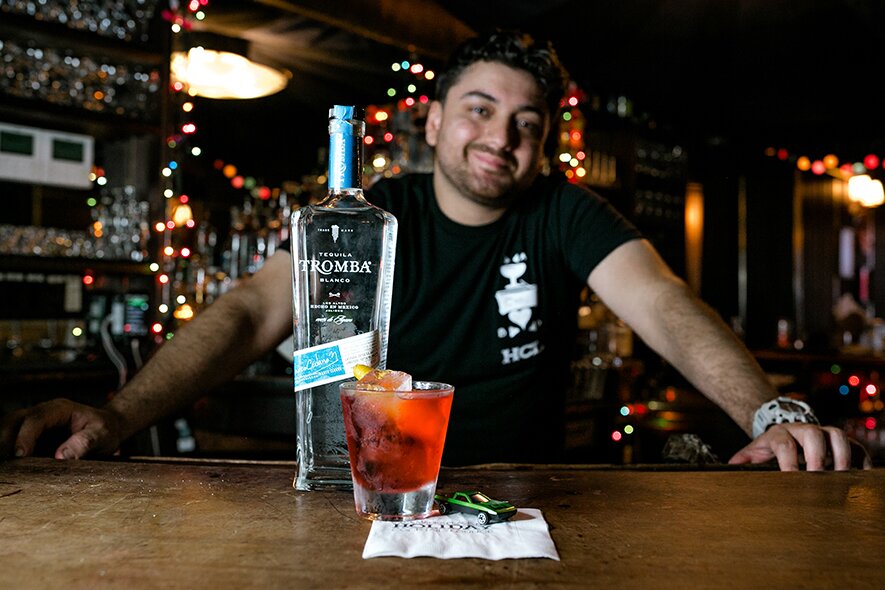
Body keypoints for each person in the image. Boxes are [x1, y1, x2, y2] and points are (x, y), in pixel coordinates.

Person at [0, 31, 868, 470]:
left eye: (527, 123)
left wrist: (771, 413)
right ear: (434, 120)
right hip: (378, 489)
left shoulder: (562, 212)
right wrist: (119, 416)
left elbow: (665, 306)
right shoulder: (374, 212)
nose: (503, 136)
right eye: (482, 108)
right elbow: (249, 311)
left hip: (526, 494)